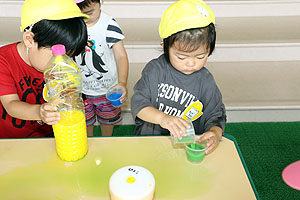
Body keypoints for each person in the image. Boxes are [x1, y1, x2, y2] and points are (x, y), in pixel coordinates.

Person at [131, 0, 226, 155]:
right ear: (165, 46)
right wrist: (163, 118)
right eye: (181, 57)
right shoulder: (155, 70)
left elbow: (215, 115)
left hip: (186, 146)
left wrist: (215, 133)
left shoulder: (206, 81)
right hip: (150, 141)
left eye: (200, 56)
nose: (191, 63)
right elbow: (138, 105)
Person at [0, 0, 89, 138]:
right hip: (12, 138)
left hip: (49, 133)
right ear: (29, 40)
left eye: (69, 56)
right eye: (57, 56)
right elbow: (11, 104)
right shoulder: (3, 60)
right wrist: (39, 112)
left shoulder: (62, 65)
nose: (62, 63)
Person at [74, 0, 129, 136]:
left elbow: (121, 56)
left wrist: (122, 82)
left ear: (100, 2)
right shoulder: (71, 24)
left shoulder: (108, 25)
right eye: (78, 15)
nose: (84, 19)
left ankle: (106, 142)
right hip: (81, 92)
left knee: (107, 123)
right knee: (85, 124)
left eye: (89, 13)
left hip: (108, 91)